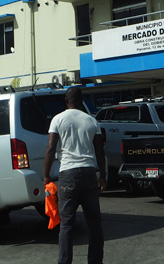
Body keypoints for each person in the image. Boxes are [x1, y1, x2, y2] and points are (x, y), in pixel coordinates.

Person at [44, 87, 106, 264]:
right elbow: (99, 150)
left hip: (68, 175)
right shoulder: (92, 121)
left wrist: (46, 175)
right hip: (89, 173)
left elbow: (51, 148)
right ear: (81, 101)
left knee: (66, 225)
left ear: (66, 100)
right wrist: (103, 176)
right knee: (94, 224)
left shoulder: (58, 119)